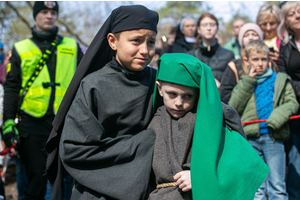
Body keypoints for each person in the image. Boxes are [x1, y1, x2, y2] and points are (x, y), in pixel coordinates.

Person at [45, 5, 159, 199]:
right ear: (113, 41)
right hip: (96, 193)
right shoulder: (93, 85)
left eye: (151, 42)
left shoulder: (159, 82)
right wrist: (146, 144)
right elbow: (75, 150)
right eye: (136, 41)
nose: (145, 50)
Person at [148, 53, 269, 200]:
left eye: (188, 96)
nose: (179, 103)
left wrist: (200, 177)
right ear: (160, 89)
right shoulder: (153, 122)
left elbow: (240, 166)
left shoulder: (212, 123)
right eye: (172, 94)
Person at [2, 1, 83, 199]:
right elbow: (11, 89)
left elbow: (84, 82)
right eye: (44, 12)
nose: (49, 16)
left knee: (64, 180)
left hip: (64, 123)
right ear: (36, 15)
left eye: (53, 12)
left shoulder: (72, 46)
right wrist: (8, 124)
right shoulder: (21, 48)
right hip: (31, 123)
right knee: (35, 179)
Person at [228, 40, 299, 200]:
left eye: (263, 59)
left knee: (277, 187)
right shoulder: (243, 82)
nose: (260, 63)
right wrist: (247, 82)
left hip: (273, 139)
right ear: (247, 61)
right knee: (256, 189)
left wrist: (276, 119)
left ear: (268, 59)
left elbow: (291, 103)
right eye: (255, 59)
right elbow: (233, 107)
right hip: (250, 140)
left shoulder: (280, 79)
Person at [277, 2, 300, 199]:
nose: (297, 16)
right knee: (295, 159)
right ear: (287, 20)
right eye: (292, 14)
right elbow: (283, 76)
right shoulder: (285, 44)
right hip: (295, 110)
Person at [188, 13, 235, 89]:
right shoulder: (191, 56)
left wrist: (221, 87)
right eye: (205, 25)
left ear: (217, 28)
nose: (209, 28)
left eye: (212, 25)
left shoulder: (228, 55)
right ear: (199, 29)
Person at [219, 23, 264, 103]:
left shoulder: (270, 64)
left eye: (254, 34)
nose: (250, 37)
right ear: (241, 40)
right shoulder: (234, 66)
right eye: (246, 35)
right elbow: (225, 97)